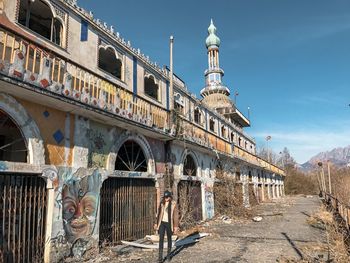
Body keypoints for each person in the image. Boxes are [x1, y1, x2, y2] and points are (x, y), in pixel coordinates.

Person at [154, 190, 178, 262]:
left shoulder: (174, 204)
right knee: (161, 238)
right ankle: (160, 257)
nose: (166, 199)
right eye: (165, 197)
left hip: (169, 223)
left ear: (170, 197)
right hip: (162, 223)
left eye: (167, 197)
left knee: (169, 238)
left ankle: (168, 255)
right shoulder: (162, 203)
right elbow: (158, 214)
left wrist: (176, 226)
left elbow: (176, 215)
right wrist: (156, 223)